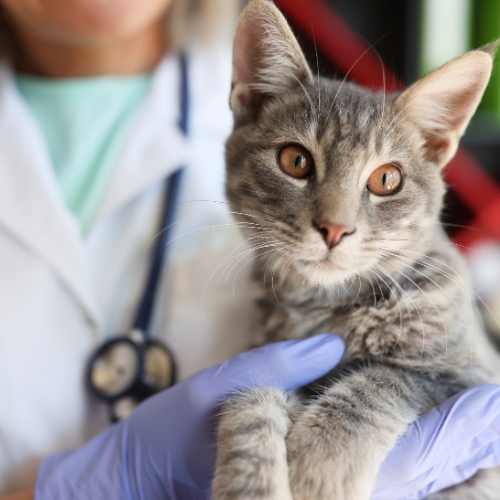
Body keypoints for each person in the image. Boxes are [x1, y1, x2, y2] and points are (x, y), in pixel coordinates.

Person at [0, 0, 499, 499]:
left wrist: (361, 414)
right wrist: (80, 487)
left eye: (385, 180)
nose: (335, 225)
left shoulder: (433, 286)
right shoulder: (271, 117)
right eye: (298, 163)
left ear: (437, 144)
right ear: (253, 99)